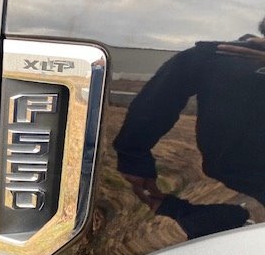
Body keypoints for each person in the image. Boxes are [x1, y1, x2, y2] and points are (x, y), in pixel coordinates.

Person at [113, 21, 265, 239]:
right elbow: (157, 102)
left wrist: (132, 156)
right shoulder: (221, 57)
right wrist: (133, 156)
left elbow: (156, 102)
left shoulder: (215, 57)